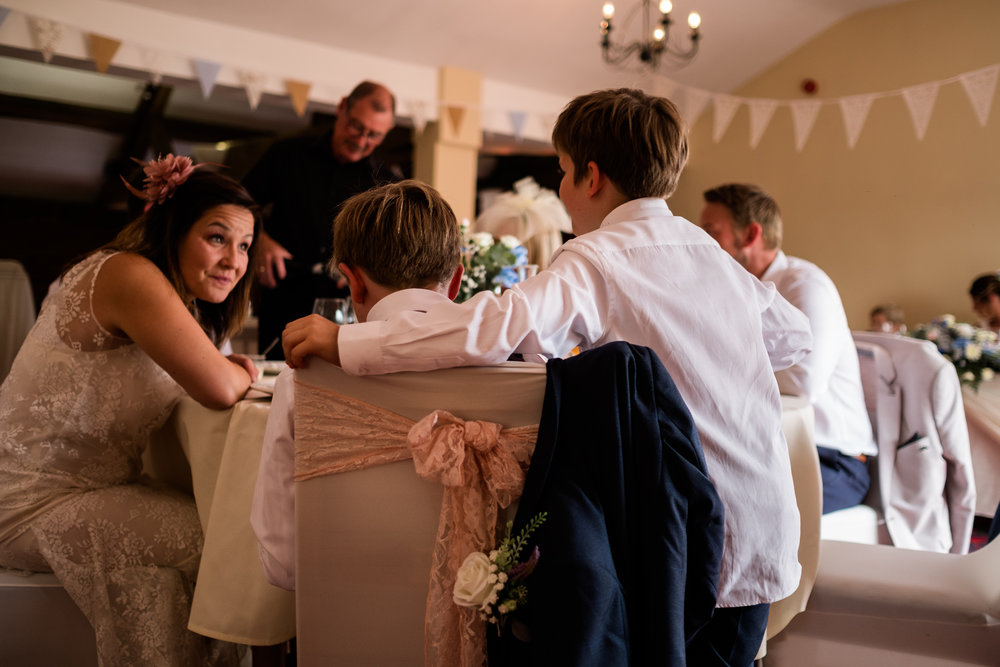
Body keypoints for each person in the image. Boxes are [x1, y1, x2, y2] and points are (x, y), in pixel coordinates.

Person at [283, 88, 814, 666]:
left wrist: (348, 339)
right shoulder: (712, 255)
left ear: (591, 177)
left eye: (561, 172)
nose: (560, 191)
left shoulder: (598, 257)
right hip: (763, 521)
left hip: (685, 531)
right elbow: (794, 337)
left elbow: (494, 330)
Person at [0, 154, 261, 666]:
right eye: (217, 237)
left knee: (186, 550)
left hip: (91, 488)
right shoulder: (129, 274)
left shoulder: (159, 290)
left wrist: (226, 367)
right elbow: (219, 389)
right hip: (30, 500)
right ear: (174, 228)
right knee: (222, 542)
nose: (235, 259)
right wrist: (239, 371)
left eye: (246, 245)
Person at [251, 179, 464, 590]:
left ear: (353, 281)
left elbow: (283, 564)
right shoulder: (519, 364)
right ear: (455, 281)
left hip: (339, 625)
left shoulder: (304, 382)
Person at [700, 182, 876, 515]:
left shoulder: (804, 285)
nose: (702, 243)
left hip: (829, 460)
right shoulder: (725, 291)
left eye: (711, 231)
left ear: (751, 235)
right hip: (762, 451)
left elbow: (802, 382)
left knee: (712, 504)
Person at [243, 80, 399, 359]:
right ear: (341, 108)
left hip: (346, 309)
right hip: (283, 296)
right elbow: (237, 204)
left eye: (374, 135)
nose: (362, 141)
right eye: (356, 126)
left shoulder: (387, 184)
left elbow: (392, 247)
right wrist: (259, 238)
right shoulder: (285, 155)